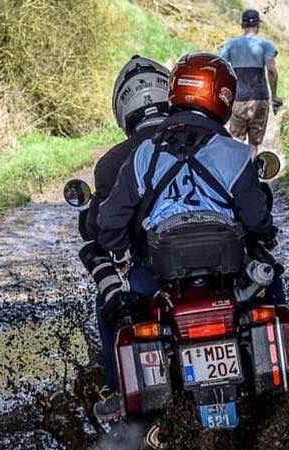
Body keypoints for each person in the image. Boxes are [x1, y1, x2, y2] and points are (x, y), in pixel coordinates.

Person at [97, 51, 285, 344]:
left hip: (161, 270)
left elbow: (110, 222)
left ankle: (123, 385)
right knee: (270, 281)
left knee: (129, 314)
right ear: (222, 97)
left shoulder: (144, 154)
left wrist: (120, 250)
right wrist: (264, 234)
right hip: (228, 266)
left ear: (175, 91)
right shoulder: (235, 154)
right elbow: (257, 217)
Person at [76, 56, 171, 421]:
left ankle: (118, 391)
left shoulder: (114, 162)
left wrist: (109, 241)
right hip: (221, 268)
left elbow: (104, 228)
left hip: (153, 275)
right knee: (265, 275)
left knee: (111, 305)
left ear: (123, 107)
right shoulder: (206, 137)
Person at [218, 8, 283, 157]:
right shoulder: (266, 45)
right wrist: (274, 96)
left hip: (238, 99)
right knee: (254, 144)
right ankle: (253, 174)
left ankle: (238, 175)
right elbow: (271, 70)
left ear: (242, 25)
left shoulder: (230, 44)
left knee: (236, 141)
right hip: (259, 98)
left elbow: (220, 64)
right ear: (258, 25)